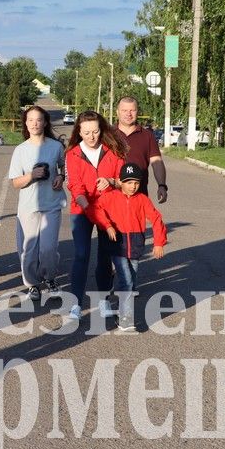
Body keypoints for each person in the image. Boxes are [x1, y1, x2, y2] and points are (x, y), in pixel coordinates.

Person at [64, 110, 129, 321]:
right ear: (79, 132)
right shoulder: (72, 154)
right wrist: (87, 208)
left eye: (95, 131)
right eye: (86, 132)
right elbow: (75, 186)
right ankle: (75, 304)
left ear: (101, 130)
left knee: (104, 255)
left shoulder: (113, 150)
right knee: (82, 254)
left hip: (108, 209)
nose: (91, 137)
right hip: (82, 210)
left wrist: (111, 182)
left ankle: (103, 300)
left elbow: (125, 182)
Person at [97, 162, 167, 331]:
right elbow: (96, 209)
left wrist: (158, 243)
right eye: (128, 182)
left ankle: (119, 292)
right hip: (117, 247)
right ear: (120, 182)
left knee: (131, 280)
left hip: (135, 246)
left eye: (136, 183)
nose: (133, 186)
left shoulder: (142, 199)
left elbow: (157, 219)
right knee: (128, 282)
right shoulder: (110, 196)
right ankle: (125, 319)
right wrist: (107, 225)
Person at [8, 105, 66, 302]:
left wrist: (61, 177)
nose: (34, 123)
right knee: (28, 251)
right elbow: (15, 182)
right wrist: (32, 175)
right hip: (28, 207)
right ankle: (33, 284)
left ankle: (50, 279)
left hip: (52, 203)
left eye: (38, 120)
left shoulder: (56, 147)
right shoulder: (20, 150)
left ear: (45, 122)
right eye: (30, 120)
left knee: (48, 248)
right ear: (26, 123)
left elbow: (63, 166)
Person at [115, 96, 168, 203]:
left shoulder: (147, 136)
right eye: (124, 110)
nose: (128, 114)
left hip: (139, 196)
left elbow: (156, 162)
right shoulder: (108, 134)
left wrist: (162, 185)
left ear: (137, 112)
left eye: (132, 110)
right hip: (111, 196)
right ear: (117, 112)